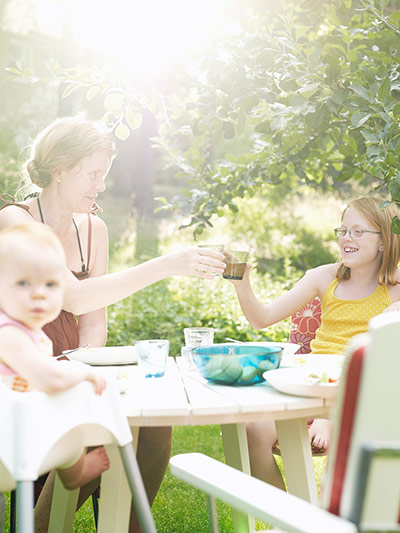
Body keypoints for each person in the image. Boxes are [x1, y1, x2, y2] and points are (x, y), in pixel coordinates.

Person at [0, 116, 226, 532]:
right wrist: (167, 265)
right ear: (61, 168)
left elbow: (92, 320)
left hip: (69, 366)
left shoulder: (93, 229)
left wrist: (87, 369)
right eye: (93, 174)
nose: (100, 186)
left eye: (103, 175)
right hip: (21, 375)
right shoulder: (15, 221)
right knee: (101, 427)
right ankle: (42, 523)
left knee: (153, 426)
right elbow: (73, 296)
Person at [227, 197, 400, 490]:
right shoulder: (324, 277)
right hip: (311, 380)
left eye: (358, 232)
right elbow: (262, 318)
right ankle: (290, 515)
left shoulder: (396, 287)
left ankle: (329, 421)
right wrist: (242, 284)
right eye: (343, 230)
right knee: (251, 428)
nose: (346, 238)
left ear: (384, 241)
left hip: (363, 390)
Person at [0, 223, 110, 491]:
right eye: (24, 283)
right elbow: (48, 378)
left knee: (66, 415)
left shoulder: (29, 333)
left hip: (17, 432)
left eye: (50, 284)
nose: (39, 293)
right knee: (71, 428)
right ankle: (75, 474)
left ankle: (73, 473)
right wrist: (82, 372)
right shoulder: (8, 334)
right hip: (7, 446)